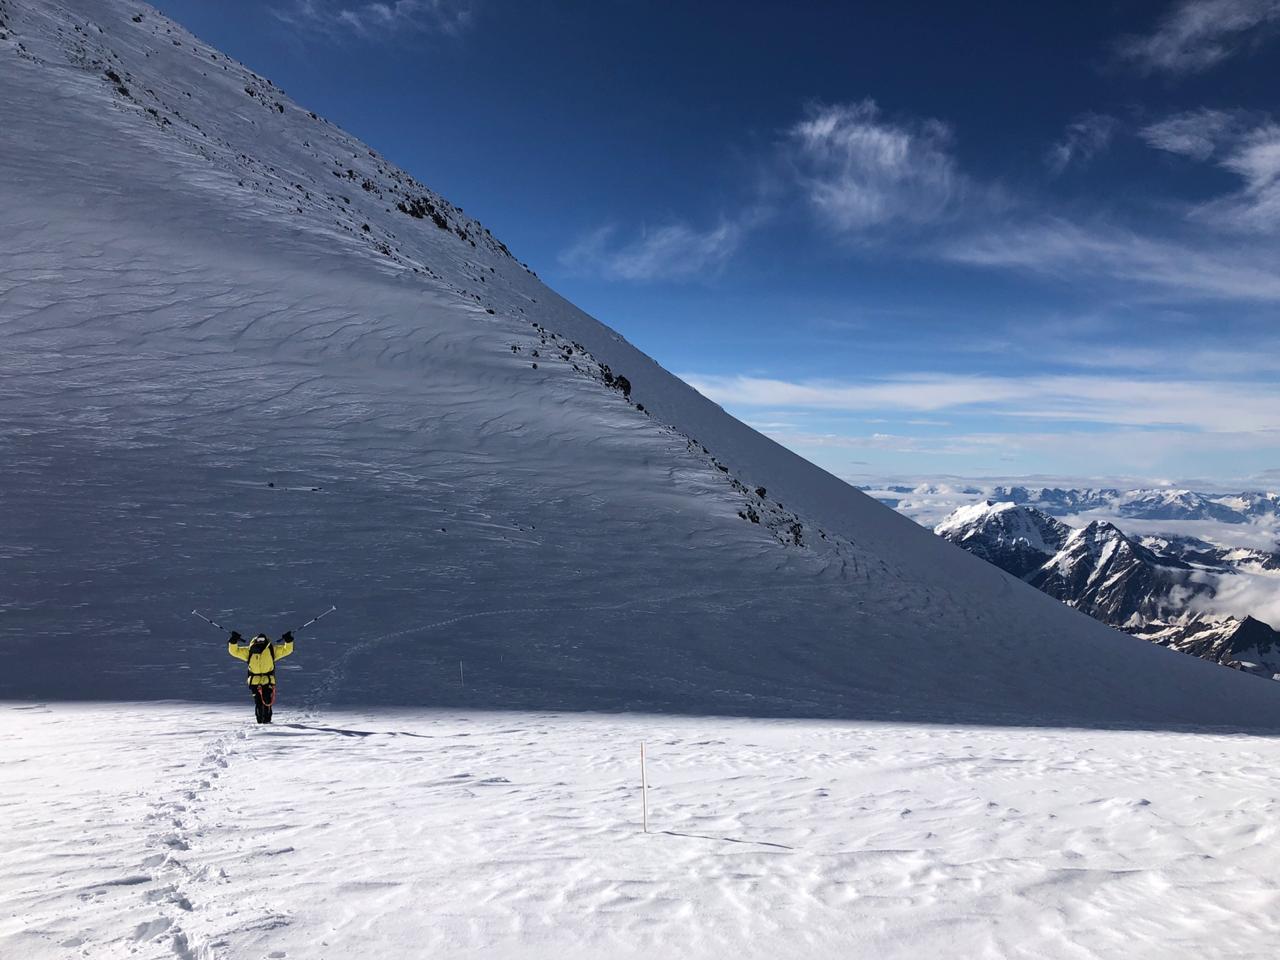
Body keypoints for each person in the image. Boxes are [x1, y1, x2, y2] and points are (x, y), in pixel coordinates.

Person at [227, 630, 295, 723]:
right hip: (254, 681)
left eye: (262, 640)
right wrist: (233, 641)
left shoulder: (271, 649)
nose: (261, 642)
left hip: (268, 680)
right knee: (258, 702)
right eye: (259, 640)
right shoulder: (250, 650)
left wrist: (288, 641)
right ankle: (260, 723)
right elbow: (234, 651)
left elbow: (287, 650)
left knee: (267, 701)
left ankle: (267, 722)